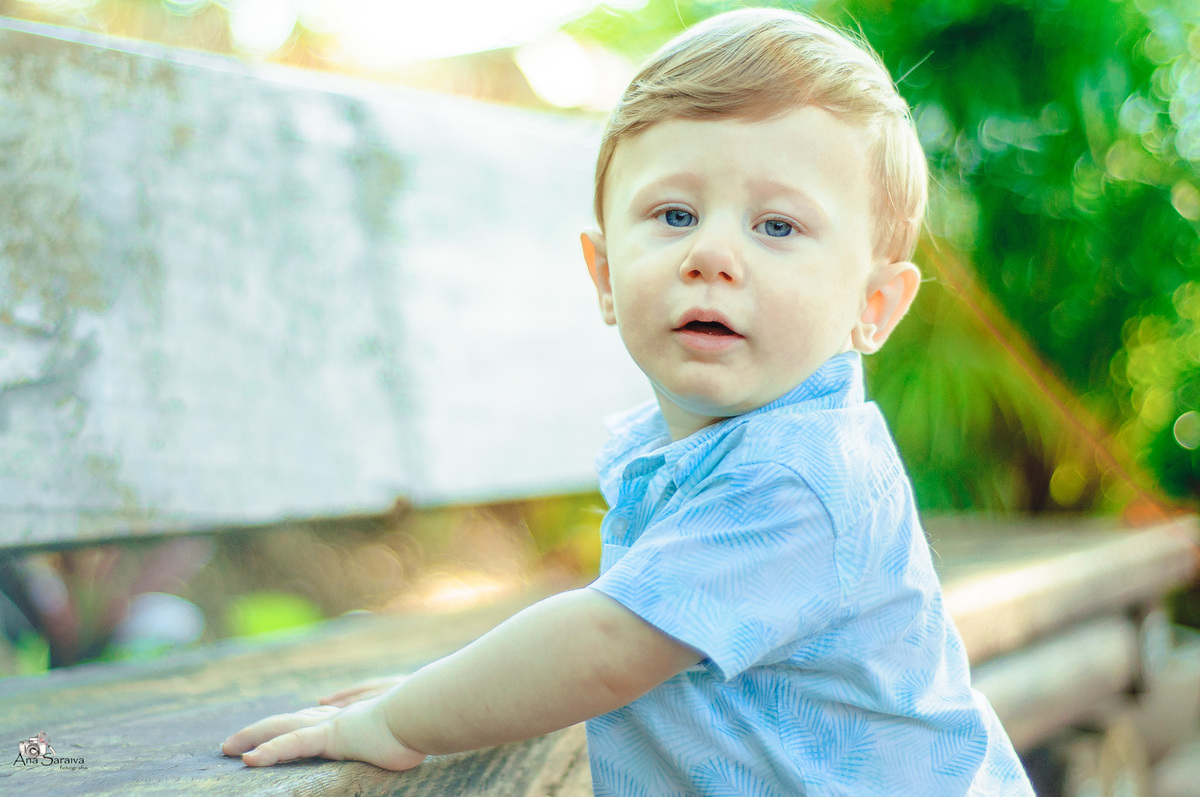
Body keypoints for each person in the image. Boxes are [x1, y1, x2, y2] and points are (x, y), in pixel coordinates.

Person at [222, 8, 1034, 794]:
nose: (712, 253)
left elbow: (607, 643)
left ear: (876, 304)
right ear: (607, 276)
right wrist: (443, 692)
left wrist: (401, 720)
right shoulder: (703, 445)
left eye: (777, 226)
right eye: (674, 213)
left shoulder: (802, 476)